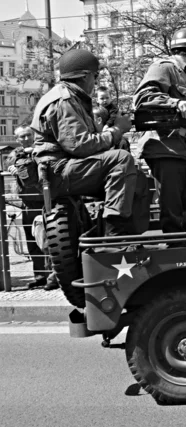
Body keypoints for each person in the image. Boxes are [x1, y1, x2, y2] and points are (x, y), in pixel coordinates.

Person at [30, 48, 137, 236]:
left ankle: (123, 231)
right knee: (121, 159)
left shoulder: (71, 98)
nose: (95, 83)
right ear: (86, 76)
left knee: (136, 179)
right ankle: (116, 236)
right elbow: (80, 145)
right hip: (59, 170)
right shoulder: (64, 100)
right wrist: (116, 131)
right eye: (95, 77)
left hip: (63, 169)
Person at [133, 28, 186, 233]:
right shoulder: (164, 68)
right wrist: (175, 103)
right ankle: (175, 251)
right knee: (172, 206)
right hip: (165, 147)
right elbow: (143, 98)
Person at [6, 126, 58, 290]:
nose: (26, 138)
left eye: (28, 135)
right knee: (32, 242)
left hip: (45, 202)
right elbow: (9, 163)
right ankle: (40, 276)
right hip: (28, 204)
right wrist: (12, 168)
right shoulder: (16, 153)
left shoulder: (40, 150)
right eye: (22, 136)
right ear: (17, 139)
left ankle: (52, 276)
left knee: (47, 240)